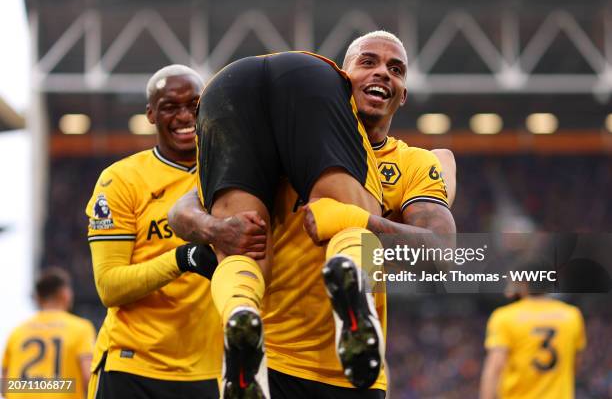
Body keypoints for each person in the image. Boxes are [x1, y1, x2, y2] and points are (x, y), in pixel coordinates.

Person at [170, 31, 457, 398]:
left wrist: (359, 220)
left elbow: (445, 255)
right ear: (341, 78)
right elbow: (181, 210)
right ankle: (249, 322)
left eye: (396, 69)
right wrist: (216, 229)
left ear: (403, 95)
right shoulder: (280, 136)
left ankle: (238, 316)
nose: (383, 73)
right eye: (368, 62)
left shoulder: (415, 163)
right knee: (275, 236)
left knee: (344, 225)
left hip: (344, 371)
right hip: (277, 363)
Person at [85, 65, 250, 399]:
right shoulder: (120, 180)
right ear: (150, 114)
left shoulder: (232, 173)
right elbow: (108, 287)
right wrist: (182, 258)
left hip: (206, 373)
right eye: (170, 107)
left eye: (193, 104)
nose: (185, 116)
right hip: (131, 367)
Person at [480, 261, 587, 399]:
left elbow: (495, 368)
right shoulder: (572, 315)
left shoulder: (505, 317)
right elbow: (575, 364)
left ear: (524, 283)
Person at [1, 267, 95, 399]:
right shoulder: (80, 328)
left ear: (38, 298)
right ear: (65, 294)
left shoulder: (17, 331)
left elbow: (4, 386)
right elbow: (88, 377)